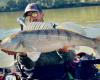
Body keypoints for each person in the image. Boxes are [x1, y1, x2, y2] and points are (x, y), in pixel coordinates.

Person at [1, 3, 76, 79]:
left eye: (34, 13)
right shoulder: (22, 37)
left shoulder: (57, 31)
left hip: (58, 73)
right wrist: (22, 54)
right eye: (28, 15)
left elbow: (70, 58)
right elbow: (28, 65)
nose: (31, 17)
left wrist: (65, 51)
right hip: (36, 75)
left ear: (42, 14)